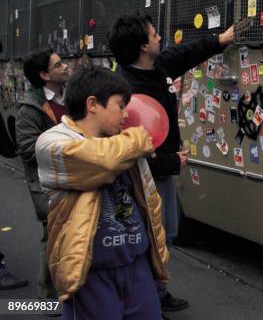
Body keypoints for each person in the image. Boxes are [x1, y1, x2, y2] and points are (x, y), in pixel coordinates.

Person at [108, 14, 235, 312]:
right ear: (142, 46)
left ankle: (157, 292)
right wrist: (170, 161)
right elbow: (129, 149)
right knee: (145, 239)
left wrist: (221, 41)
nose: (159, 38)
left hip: (164, 171)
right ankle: (145, 302)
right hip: (142, 177)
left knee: (167, 233)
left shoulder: (157, 65)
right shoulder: (125, 92)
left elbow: (186, 53)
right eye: (153, 35)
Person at [35, 66, 168, 319]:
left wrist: (157, 262)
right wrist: (140, 138)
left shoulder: (124, 142)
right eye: (120, 105)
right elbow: (103, 161)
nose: (127, 114)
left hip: (136, 264)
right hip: (90, 272)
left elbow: (151, 203)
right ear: (93, 104)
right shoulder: (51, 143)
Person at [15, 48, 70, 301]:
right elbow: (27, 150)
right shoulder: (30, 108)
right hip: (48, 186)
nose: (66, 67)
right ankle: (46, 294)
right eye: (59, 65)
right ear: (44, 75)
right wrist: (68, 145)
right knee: (53, 238)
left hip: (74, 179)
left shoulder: (68, 97)